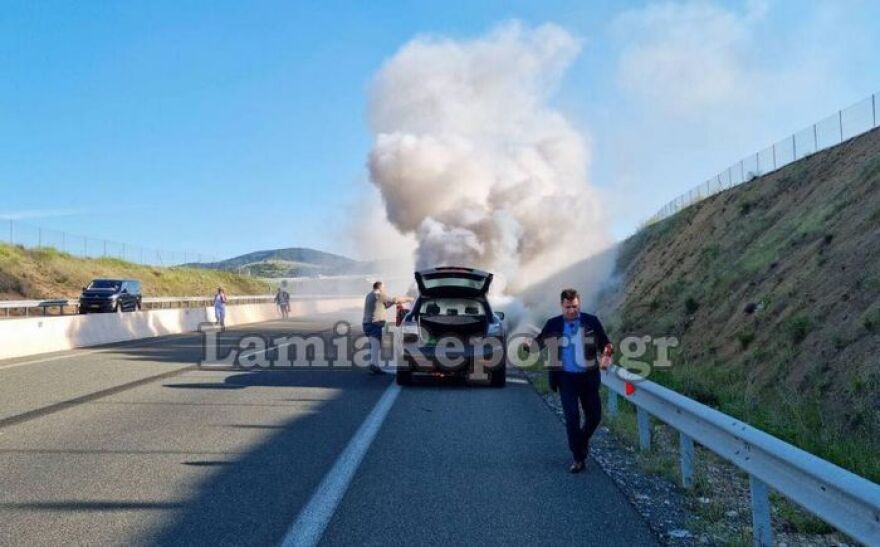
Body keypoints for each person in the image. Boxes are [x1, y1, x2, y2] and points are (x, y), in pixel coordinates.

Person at [534, 288, 614, 473]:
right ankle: (578, 458)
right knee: (572, 417)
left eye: (575, 307)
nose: (572, 311)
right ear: (561, 305)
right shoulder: (553, 324)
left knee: (594, 417)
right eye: (568, 307)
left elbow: (606, 344)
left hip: (588, 378)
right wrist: (528, 346)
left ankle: (581, 441)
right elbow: (539, 343)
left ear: (580, 304)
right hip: (565, 378)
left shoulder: (591, 322)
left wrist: (606, 356)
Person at [363, 281, 411, 375]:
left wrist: (393, 303)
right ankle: (374, 366)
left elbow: (385, 305)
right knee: (375, 346)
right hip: (374, 324)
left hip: (368, 324)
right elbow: (395, 300)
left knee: (374, 346)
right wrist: (409, 299)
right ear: (380, 287)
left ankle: (374, 365)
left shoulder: (370, 295)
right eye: (384, 287)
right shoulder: (379, 294)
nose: (385, 289)